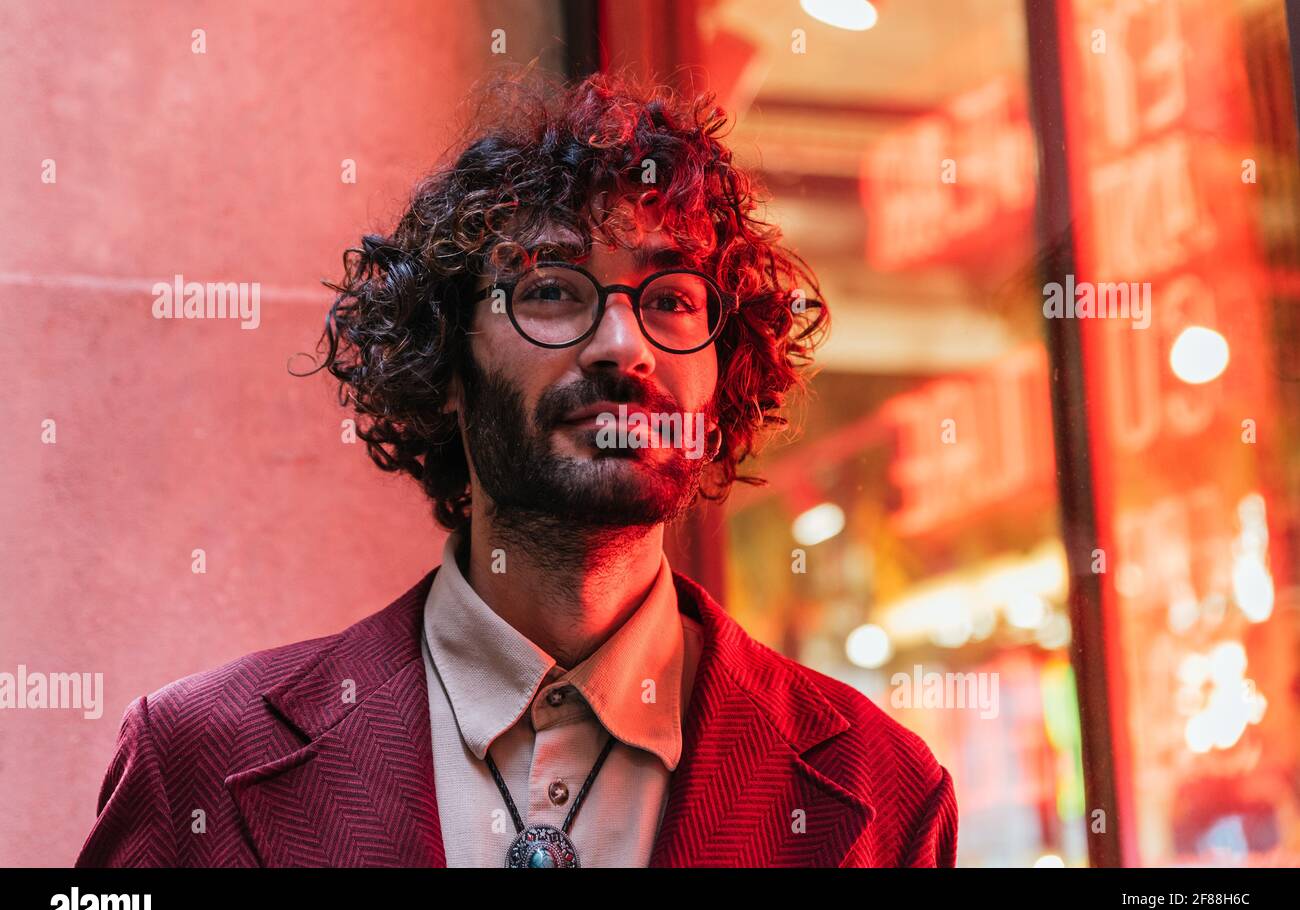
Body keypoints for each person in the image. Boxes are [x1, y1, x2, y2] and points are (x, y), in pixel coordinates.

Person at [75, 67, 957, 868]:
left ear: (723, 371)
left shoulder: (885, 795)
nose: (623, 346)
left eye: (673, 299)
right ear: (447, 366)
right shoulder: (199, 757)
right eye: (550, 290)